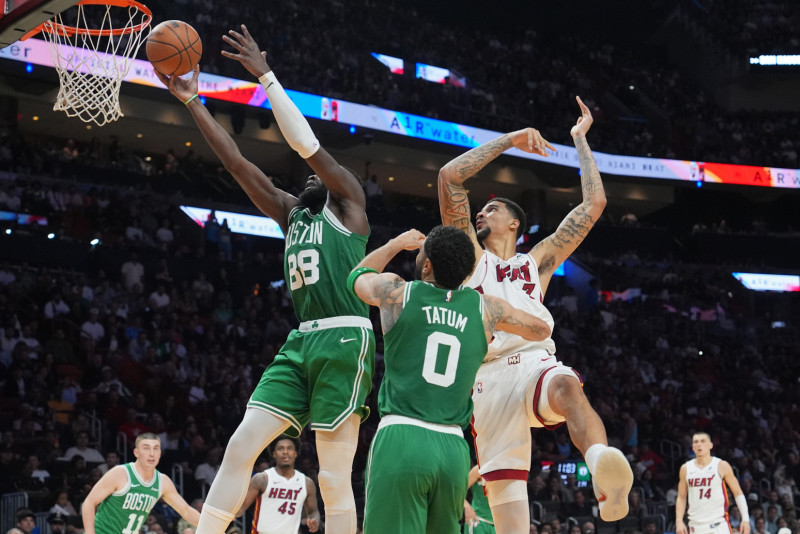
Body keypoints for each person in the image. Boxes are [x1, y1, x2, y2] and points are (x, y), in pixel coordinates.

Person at [155, 24, 374, 534]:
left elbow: (307, 145)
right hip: (300, 342)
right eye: (308, 177)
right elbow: (235, 162)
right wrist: (192, 101)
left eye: (320, 174)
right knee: (240, 445)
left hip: (345, 337)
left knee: (333, 477)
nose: (313, 176)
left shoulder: (349, 204)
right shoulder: (289, 212)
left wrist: (266, 76)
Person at [437, 96, 633, 533]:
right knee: (509, 517)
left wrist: (579, 139)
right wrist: (510, 139)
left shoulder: (536, 262)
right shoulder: (468, 255)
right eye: (481, 209)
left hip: (533, 362)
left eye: (492, 209)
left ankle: (602, 470)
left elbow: (594, 204)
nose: (481, 212)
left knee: (566, 385)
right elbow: (449, 177)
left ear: (514, 224)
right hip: (486, 378)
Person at [349, 226, 552, 533]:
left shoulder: (398, 293)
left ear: (427, 265)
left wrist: (396, 243)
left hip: (402, 437)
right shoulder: (487, 308)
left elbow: (357, 276)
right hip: (454, 450)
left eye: (421, 254)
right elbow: (541, 329)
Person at [81, 433, 199, 534]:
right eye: (146, 448)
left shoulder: (163, 481)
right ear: (136, 452)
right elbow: (89, 502)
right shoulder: (120, 473)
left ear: (160, 453)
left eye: (156, 448)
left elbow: (186, 510)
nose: (151, 453)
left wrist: (210, 525)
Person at [236, 435, 320, 533]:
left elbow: (313, 511)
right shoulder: (262, 479)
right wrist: (227, 515)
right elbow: (240, 508)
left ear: (295, 453)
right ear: (274, 454)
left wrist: (315, 520)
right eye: (280, 449)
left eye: (289, 448)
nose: (285, 452)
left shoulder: (306, 483)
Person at [676, 432, 750, 534]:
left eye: (703, 441)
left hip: (718, 526)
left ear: (710, 445)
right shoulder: (685, 468)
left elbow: (738, 492)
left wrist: (745, 519)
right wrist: (679, 521)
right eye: (696, 442)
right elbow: (681, 497)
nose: (699, 445)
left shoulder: (721, 465)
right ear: (692, 447)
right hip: (695, 527)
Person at [465, 465, 496, 534]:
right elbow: (459, 491)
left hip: (496, 524)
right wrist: (467, 507)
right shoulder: (478, 469)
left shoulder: (505, 469)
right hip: (478, 521)